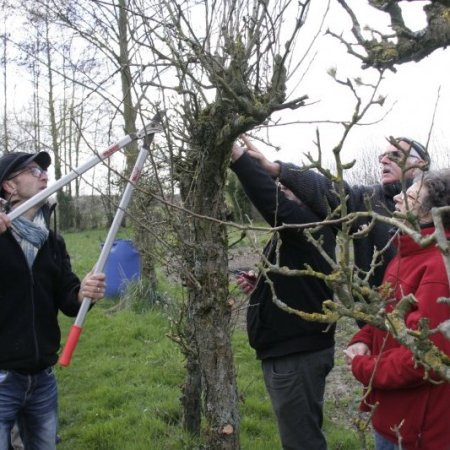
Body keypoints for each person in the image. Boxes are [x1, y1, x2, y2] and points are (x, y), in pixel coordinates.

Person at [230, 141, 336, 450]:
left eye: (290, 190)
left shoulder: (311, 227)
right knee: (302, 436)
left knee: (302, 443)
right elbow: (293, 276)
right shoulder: (301, 233)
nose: (283, 190)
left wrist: (239, 160)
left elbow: (271, 202)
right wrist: (261, 283)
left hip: (296, 356)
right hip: (294, 351)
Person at [0, 151, 106, 450]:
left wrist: (83, 293)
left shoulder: (52, 240)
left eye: (45, 170)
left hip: (42, 380)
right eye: (33, 170)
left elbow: (67, 298)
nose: (44, 175)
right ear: (9, 185)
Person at [239, 136, 430, 292]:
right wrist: (278, 169)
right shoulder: (369, 199)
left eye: (395, 154)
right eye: (382, 157)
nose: (384, 160)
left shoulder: (438, 207)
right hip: (380, 318)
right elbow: (332, 192)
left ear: (419, 164)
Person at [344, 169, 450, 450]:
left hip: (415, 431)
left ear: (432, 213)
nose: (399, 198)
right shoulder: (407, 254)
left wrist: (363, 367)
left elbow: (425, 357)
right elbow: (387, 314)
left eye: (411, 194)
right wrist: (363, 339)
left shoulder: (438, 267)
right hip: (393, 416)